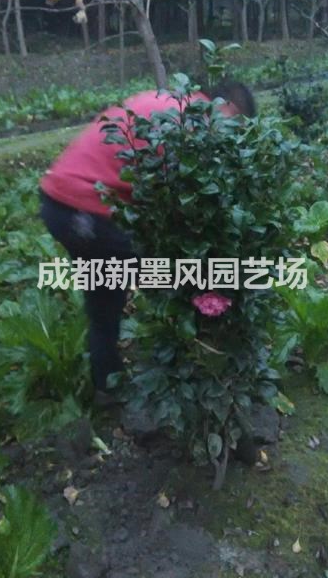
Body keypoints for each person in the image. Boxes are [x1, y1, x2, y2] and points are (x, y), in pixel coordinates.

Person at [39, 81, 256, 404]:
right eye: (236, 130)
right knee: (179, 276)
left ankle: (107, 386)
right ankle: (186, 372)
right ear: (230, 110)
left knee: (107, 292)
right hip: (85, 207)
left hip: (59, 204)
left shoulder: (170, 101)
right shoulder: (195, 121)